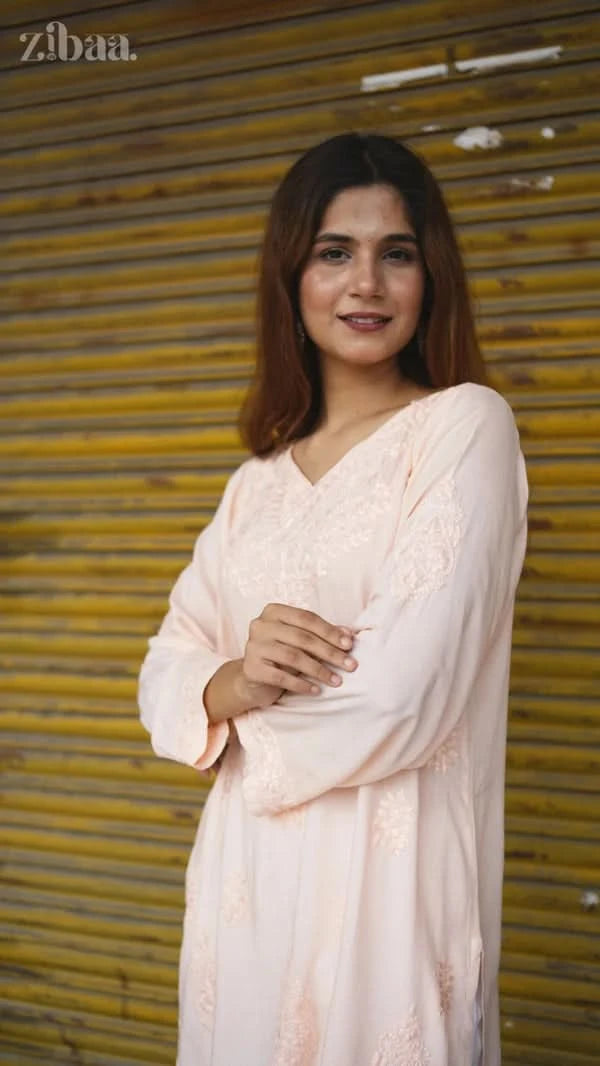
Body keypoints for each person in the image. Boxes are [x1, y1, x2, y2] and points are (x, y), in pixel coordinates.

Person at [137, 132, 529, 1066]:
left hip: (387, 894)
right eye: (333, 252)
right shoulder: (257, 483)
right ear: (291, 277)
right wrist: (234, 678)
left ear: (430, 277)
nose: (366, 283)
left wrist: (238, 725)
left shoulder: (464, 428)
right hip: (248, 890)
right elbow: (167, 667)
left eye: (396, 253)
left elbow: (403, 698)